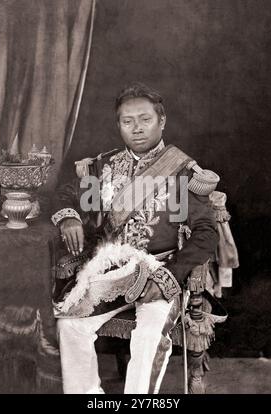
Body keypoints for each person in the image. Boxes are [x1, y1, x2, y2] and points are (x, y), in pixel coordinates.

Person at [51, 82, 219, 394]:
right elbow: (67, 194)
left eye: (145, 120)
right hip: (112, 271)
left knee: (149, 334)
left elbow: (206, 233)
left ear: (162, 121)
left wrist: (171, 275)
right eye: (128, 122)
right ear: (119, 125)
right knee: (70, 325)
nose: (136, 129)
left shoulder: (181, 173)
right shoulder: (104, 167)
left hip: (160, 270)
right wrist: (70, 216)